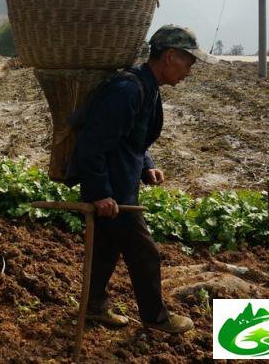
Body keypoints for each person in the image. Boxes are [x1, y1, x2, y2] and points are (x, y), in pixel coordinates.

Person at [65, 24, 217, 334]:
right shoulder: (127, 90)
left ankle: (93, 305)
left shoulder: (147, 89)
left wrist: (147, 164)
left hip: (121, 188)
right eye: (189, 61)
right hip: (113, 191)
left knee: (107, 250)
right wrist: (99, 192)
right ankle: (156, 318)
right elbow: (92, 143)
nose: (190, 70)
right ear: (170, 56)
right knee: (145, 253)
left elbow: (132, 140)